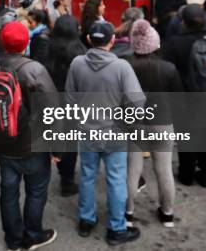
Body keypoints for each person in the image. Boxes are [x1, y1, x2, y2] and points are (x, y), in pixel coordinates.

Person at [0, 21, 59, 251]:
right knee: (36, 190)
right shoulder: (35, 70)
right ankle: (32, 234)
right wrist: (58, 148)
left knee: (8, 190)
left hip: (2, 144)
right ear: (26, 42)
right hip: (33, 145)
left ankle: (13, 239)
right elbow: (52, 110)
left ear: (2, 42)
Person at [65, 21, 143, 246]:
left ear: (89, 39)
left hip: (87, 131)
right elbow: (137, 103)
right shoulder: (122, 67)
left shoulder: (77, 63)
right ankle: (116, 229)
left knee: (88, 175)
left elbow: (70, 98)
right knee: (116, 180)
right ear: (112, 41)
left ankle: (86, 221)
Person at [125, 20, 182, 228]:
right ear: (155, 44)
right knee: (164, 169)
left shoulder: (126, 65)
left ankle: (128, 213)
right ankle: (167, 214)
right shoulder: (168, 68)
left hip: (134, 123)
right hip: (162, 122)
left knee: (132, 169)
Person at [163, 4, 206, 188]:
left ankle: (187, 174)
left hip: (186, 98)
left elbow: (168, 71)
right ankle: (205, 174)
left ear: (183, 22)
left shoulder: (175, 42)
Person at [43, 15, 87, 197]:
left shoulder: (47, 48)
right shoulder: (81, 52)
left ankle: (56, 167)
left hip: (51, 100)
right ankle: (67, 180)